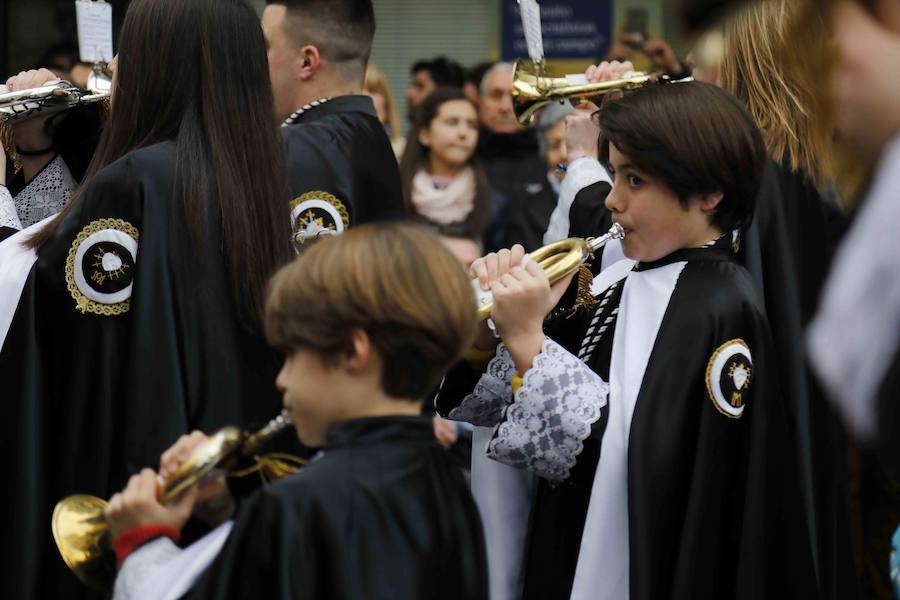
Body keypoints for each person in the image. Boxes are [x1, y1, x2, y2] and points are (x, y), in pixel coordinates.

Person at [437, 81, 817, 599]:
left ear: (710, 194)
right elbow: (503, 409)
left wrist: (528, 338)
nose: (612, 199)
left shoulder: (720, 308)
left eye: (634, 180)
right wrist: (489, 335)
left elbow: (644, 472)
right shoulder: (616, 279)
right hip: (560, 551)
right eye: (614, 173)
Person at [0, 1, 292, 598]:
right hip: (219, 510)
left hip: (129, 507)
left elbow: (43, 334)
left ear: (162, 66)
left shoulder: (133, 182)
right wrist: (42, 154)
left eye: (127, 50)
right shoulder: (259, 176)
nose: (111, 64)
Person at [104, 222, 489, 600]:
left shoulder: (298, 505)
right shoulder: (447, 481)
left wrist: (142, 542)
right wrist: (225, 512)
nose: (282, 380)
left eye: (293, 354)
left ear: (353, 351)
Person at [261, 0, 405, 244]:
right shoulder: (369, 131)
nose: (254, 62)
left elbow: (303, 266)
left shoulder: (304, 145)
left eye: (265, 47)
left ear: (307, 62)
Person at [400, 87, 490, 245]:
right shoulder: (397, 194)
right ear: (425, 135)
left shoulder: (493, 202)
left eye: (472, 125)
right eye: (452, 122)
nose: (463, 133)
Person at [475, 62, 546, 250]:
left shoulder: (554, 159)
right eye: (496, 95)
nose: (505, 107)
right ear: (479, 103)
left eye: (517, 97)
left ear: (536, 107)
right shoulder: (462, 160)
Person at [505, 100, 573, 250]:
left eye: (571, 143)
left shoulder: (608, 192)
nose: (563, 154)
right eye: (554, 145)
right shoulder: (523, 209)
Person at [363, 63, 405, 157]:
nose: (366, 97)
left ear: (386, 102)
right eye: (358, 92)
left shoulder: (407, 154)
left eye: (372, 90)